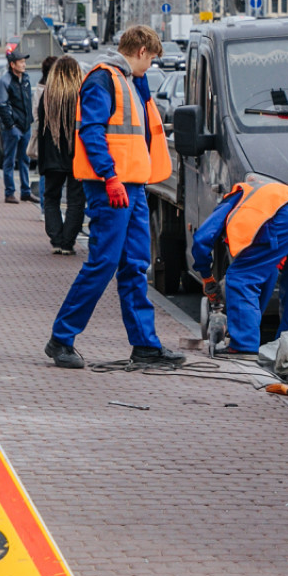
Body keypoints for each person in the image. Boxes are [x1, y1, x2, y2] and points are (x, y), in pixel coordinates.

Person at [45, 25, 185, 370]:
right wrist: (109, 177)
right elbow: (91, 131)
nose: (149, 67)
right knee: (104, 262)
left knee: (135, 265)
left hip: (131, 186)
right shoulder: (103, 79)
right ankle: (61, 339)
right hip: (113, 186)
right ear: (140, 52)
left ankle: (145, 345)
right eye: (150, 61)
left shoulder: (128, 81)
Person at [191, 176, 288, 356]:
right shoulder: (269, 192)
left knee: (240, 278)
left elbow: (201, 239)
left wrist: (207, 277)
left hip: (285, 219)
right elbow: (267, 274)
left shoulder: (235, 199)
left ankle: (243, 346)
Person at [36, 55, 87, 255]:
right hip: (76, 155)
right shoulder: (81, 95)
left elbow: (40, 126)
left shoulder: (48, 96)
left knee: (51, 197)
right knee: (76, 199)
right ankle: (68, 242)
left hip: (51, 155)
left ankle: (56, 239)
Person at [0, 48, 36, 204]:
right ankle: (10, 192)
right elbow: (1, 105)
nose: (24, 65)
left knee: (25, 160)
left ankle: (25, 191)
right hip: (12, 128)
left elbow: (27, 102)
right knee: (10, 161)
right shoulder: (4, 81)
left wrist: (29, 121)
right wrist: (11, 126)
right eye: (21, 62)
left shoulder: (25, 79)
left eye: (24, 62)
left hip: (25, 126)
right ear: (13, 64)